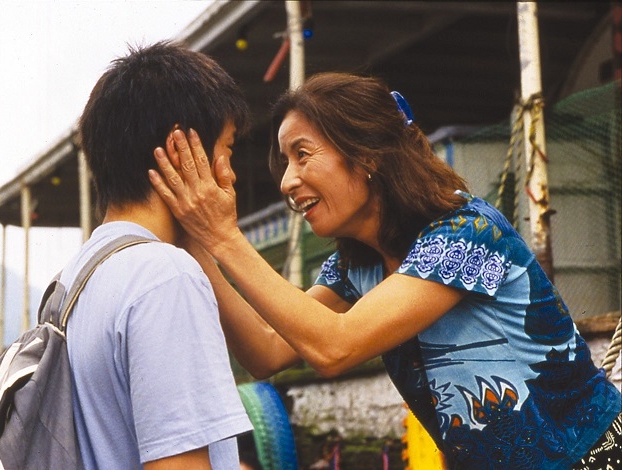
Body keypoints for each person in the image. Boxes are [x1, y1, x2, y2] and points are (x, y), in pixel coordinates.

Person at [149, 72, 622, 469]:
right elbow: (268, 351)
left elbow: (333, 346)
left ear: (368, 154)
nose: (287, 181)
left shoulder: (467, 234)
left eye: (303, 154)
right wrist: (200, 246)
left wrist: (225, 237)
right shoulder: (359, 264)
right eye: (285, 161)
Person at [65, 41, 253, 470]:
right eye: (228, 149)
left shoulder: (76, 276)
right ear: (181, 152)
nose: (232, 172)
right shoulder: (165, 276)